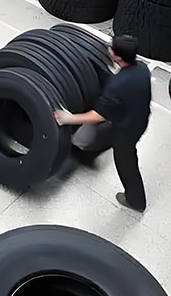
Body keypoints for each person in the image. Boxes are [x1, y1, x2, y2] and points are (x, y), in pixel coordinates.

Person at [54, 35, 151, 212]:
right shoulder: (143, 69)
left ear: (117, 57)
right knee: (103, 136)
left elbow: (97, 116)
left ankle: (136, 201)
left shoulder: (117, 85)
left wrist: (69, 118)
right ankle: (89, 153)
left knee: (125, 161)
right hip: (139, 118)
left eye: (111, 48)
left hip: (127, 130)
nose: (108, 49)